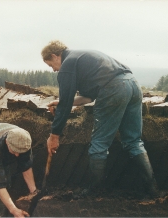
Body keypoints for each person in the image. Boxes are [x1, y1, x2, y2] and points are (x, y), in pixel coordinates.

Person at [42, 40, 159, 197]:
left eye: (51, 66)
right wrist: (62, 102)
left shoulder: (67, 65)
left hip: (114, 89)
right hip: (132, 85)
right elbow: (88, 98)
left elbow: (65, 105)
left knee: (99, 143)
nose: (55, 70)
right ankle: (153, 190)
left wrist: (54, 135)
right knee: (133, 141)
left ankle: (93, 191)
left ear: (55, 56)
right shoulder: (81, 57)